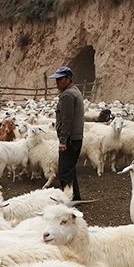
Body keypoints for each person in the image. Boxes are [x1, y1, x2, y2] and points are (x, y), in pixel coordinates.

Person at [50, 66, 84, 200]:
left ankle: (67, 201)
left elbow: (67, 119)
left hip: (69, 139)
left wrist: (63, 141)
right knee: (70, 170)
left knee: (64, 172)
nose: (57, 82)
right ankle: (75, 199)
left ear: (68, 78)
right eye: (56, 79)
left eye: (60, 79)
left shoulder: (68, 95)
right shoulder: (74, 91)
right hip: (76, 138)